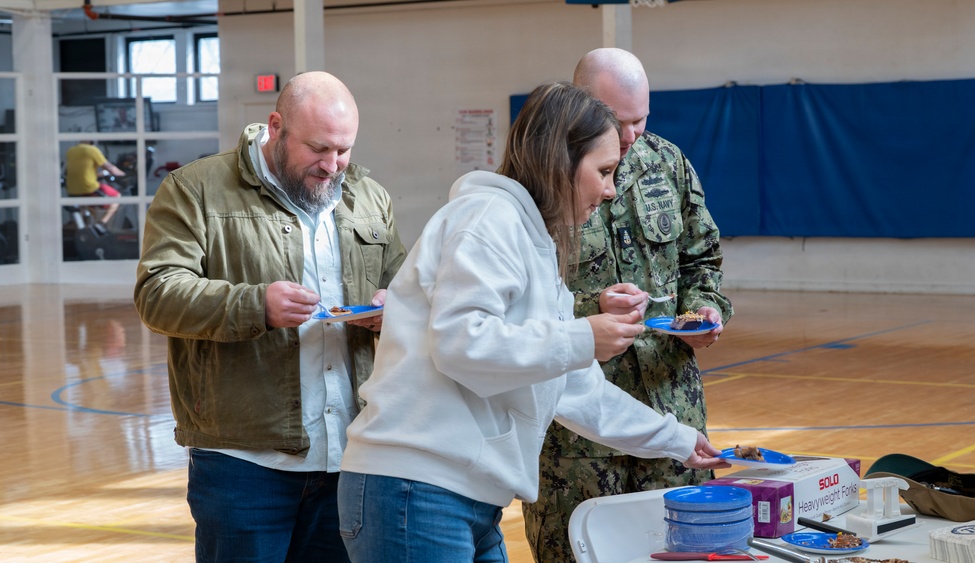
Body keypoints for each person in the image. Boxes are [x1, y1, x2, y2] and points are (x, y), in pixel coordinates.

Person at [336, 81, 729, 563]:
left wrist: (680, 440)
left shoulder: (536, 242)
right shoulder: (488, 217)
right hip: (416, 488)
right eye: (604, 171)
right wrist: (584, 335)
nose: (609, 190)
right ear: (559, 160)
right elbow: (462, 345)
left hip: (466, 496)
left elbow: (574, 389)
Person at [133, 71, 407, 563]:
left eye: (344, 150)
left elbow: (410, 290)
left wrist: (394, 310)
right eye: (319, 149)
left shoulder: (368, 196)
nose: (333, 166)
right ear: (275, 126)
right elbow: (157, 293)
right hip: (243, 463)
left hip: (351, 453)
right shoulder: (195, 189)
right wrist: (255, 305)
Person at [522, 48, 735, 562]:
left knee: (678, 548)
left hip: (669, 404)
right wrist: (588, 306)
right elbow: (521, 306)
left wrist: (705, 310)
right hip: (574, 431)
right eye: (619, 121)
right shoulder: (540, 183)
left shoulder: (667, 163)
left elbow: (701, 258)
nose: (632, 134)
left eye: (642, 118)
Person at [64, 140, 125, 227]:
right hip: (88, 187)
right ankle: (102, 223)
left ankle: (85, 227)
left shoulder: (71, 150)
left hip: (72, 189)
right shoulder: (92, 149)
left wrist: (97, 174)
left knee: (88, 207)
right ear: (92, 142)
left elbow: (75, 171)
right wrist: (123, 174)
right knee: (117, 196)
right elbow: (110, 168)